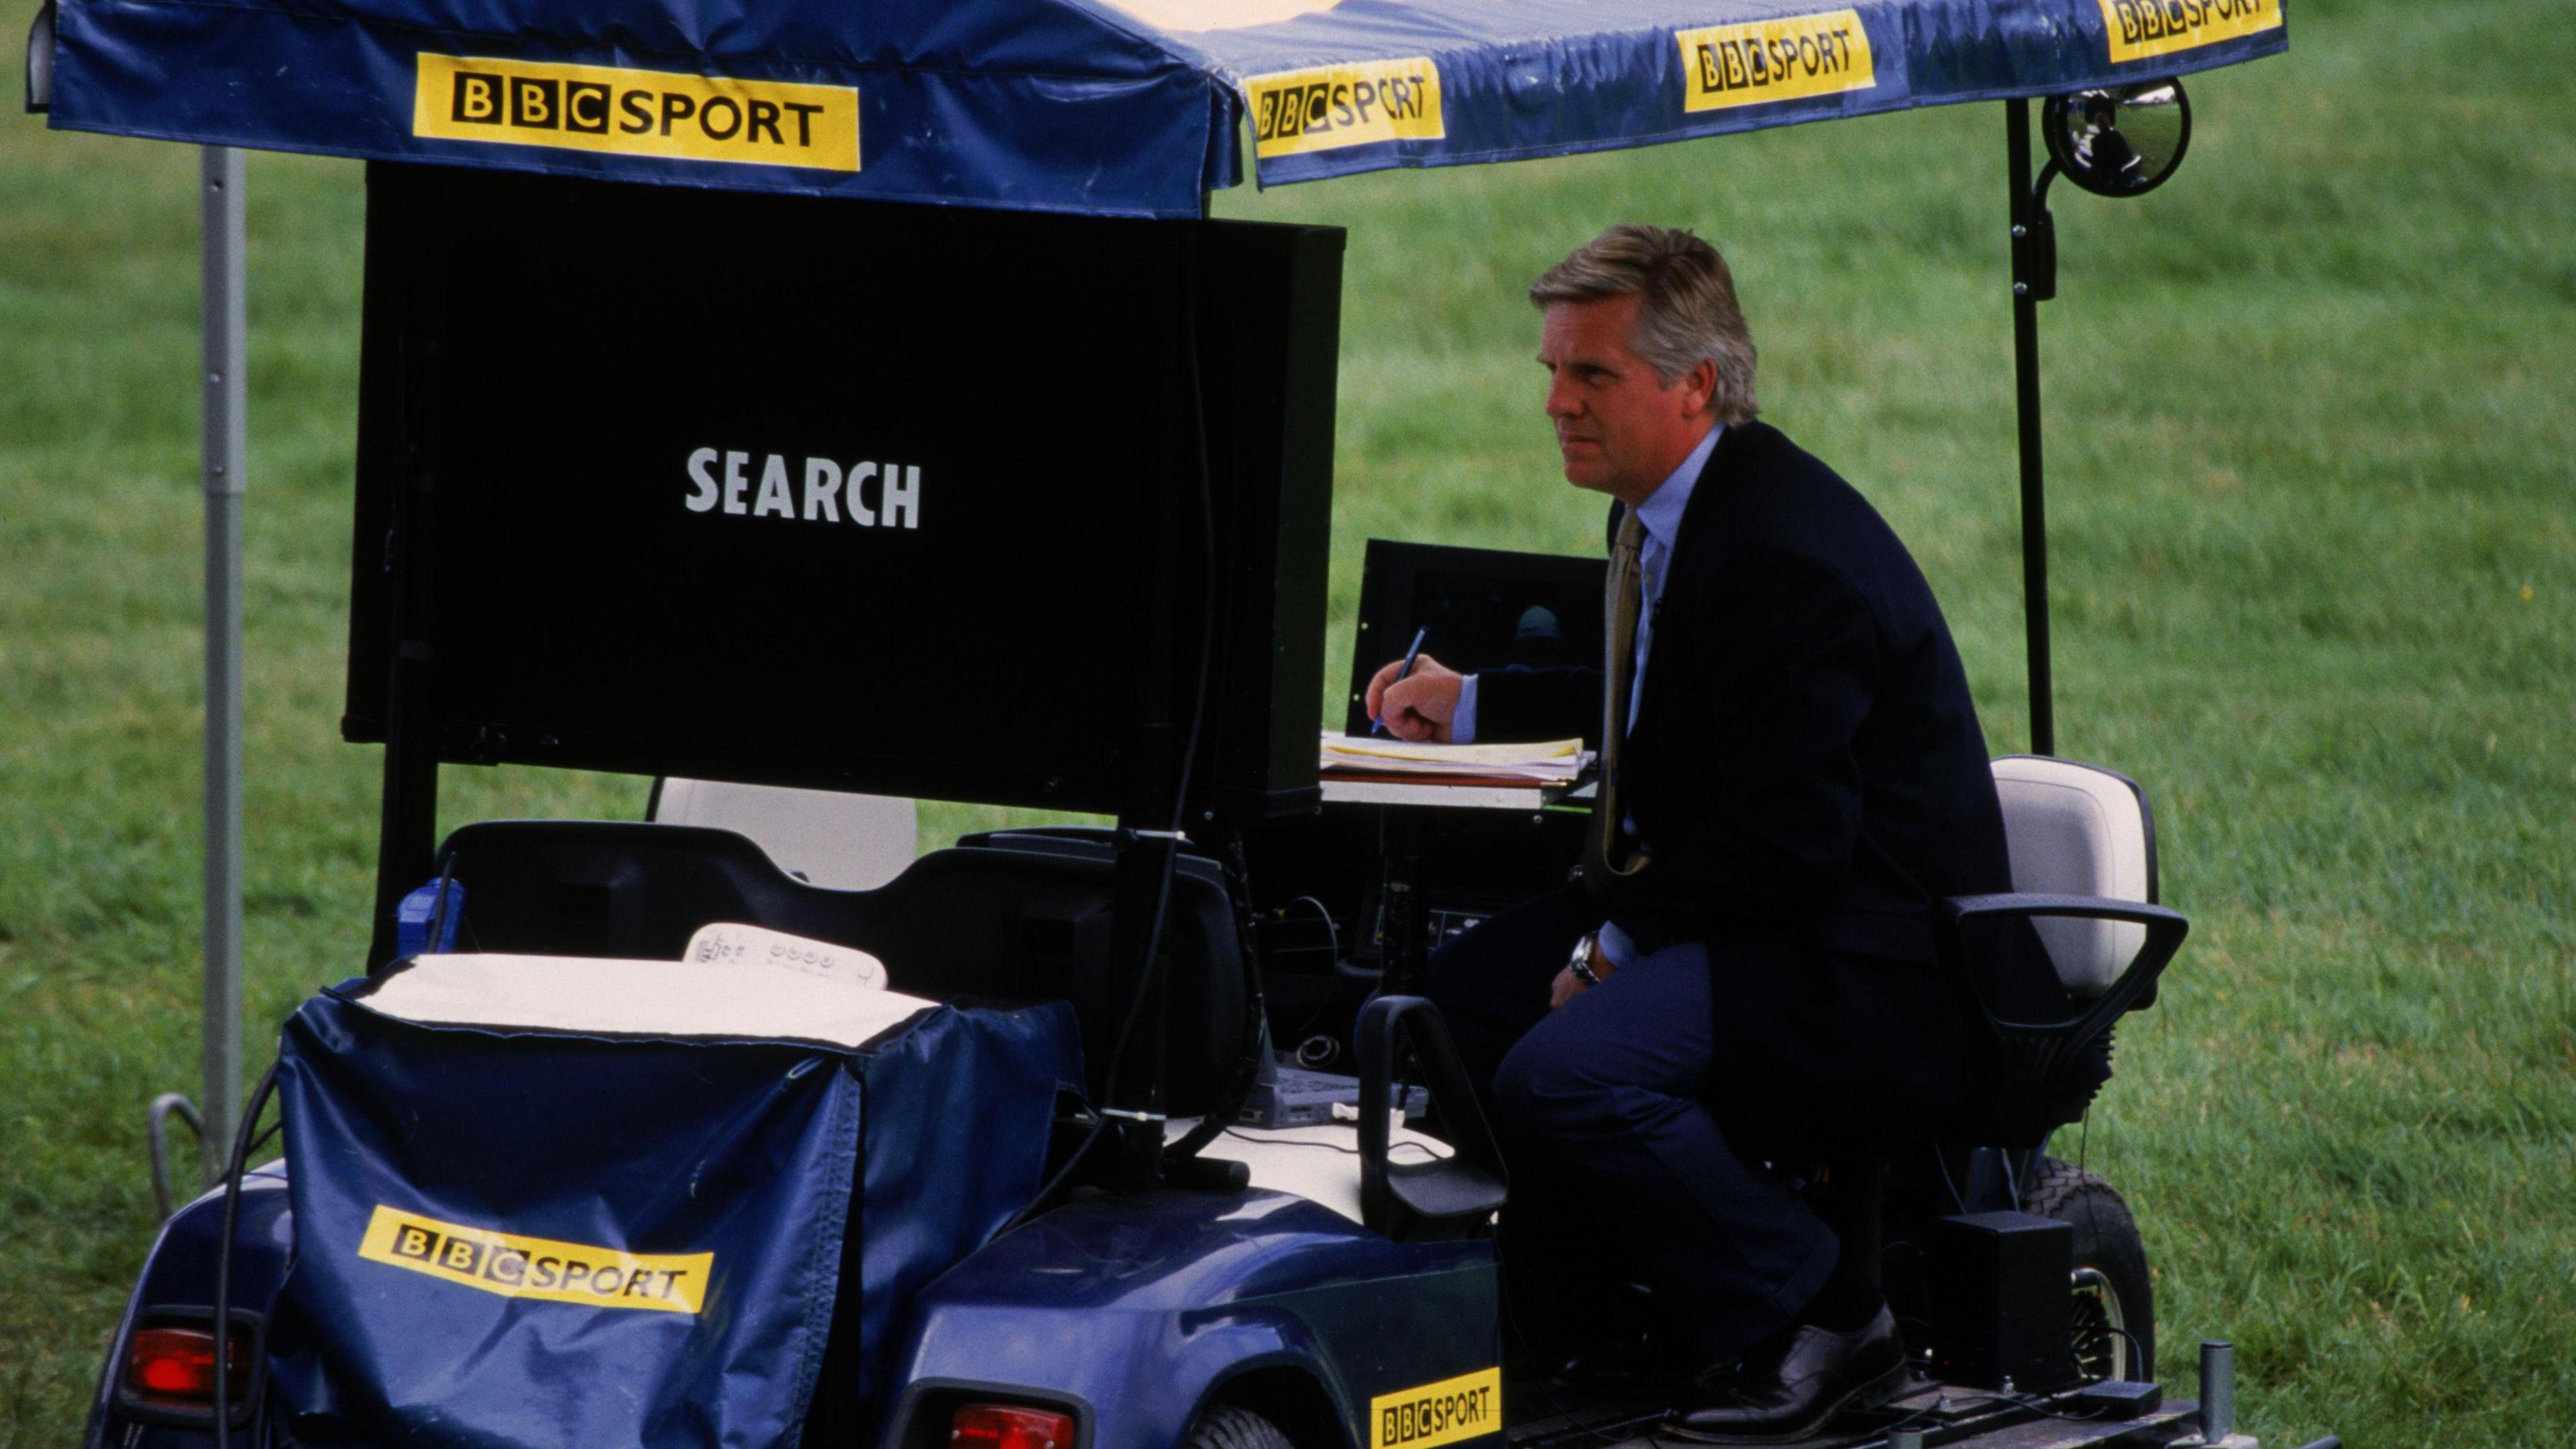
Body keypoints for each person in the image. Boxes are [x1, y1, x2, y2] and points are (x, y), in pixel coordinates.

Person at [1362, 225, 2057, 1441]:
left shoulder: (1780, 550)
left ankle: (1825, 1320)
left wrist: (1612, 952)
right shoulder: (1675, 507)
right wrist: (1470, 700)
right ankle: (1593, 1322)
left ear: (1696, 384)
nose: (1557, 404)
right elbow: (1661, 699)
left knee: (1568, 1075)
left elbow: (1791, 838)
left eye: (1592, 377)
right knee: (1455, 1003)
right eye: (1552, 372)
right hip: (1760, 898)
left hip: (1863, 949)